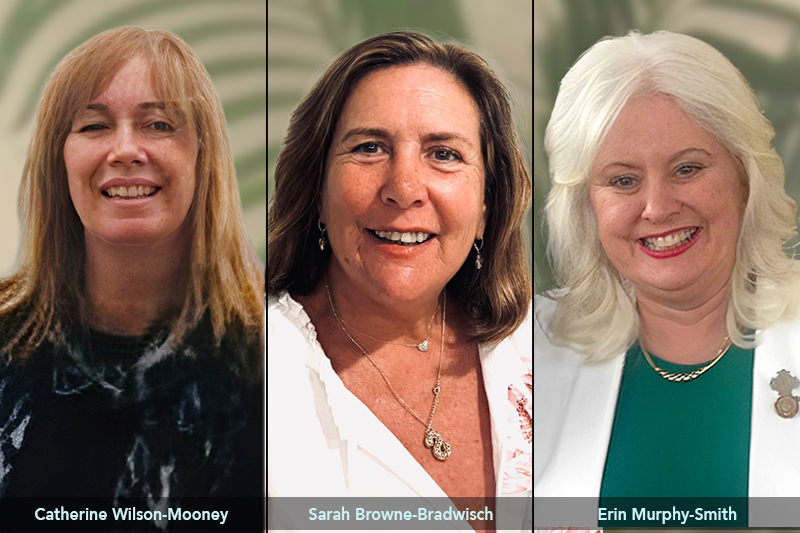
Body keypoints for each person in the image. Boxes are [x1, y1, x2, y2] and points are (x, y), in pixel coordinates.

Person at [267, 31, 532, 532]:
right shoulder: (236, 372)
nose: (405, 188)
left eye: (444, 154)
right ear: (317, 192)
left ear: (486, 208)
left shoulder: (548, 352)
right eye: (369, 148)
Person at [0, 27, 265, 509]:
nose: (124, 149)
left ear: (202, 156)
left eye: (159, 124)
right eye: (94, 125)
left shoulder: (284, 358)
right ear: (58, 160)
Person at [535, 29, 800, 508]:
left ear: (745, 177)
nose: (656, 208)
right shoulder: (521, 353)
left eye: (687, 169)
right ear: (585, 206)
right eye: (622, 180)